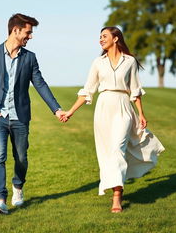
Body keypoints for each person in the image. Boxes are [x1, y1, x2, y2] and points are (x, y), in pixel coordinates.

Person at [62, 26, 165, 213]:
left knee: (118, 148)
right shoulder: (97, 63)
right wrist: (70, 111)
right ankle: (115, 186)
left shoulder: (130, 61)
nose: (100, 39)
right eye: (99, 37)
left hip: (123, 106)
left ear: (116, 38)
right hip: (103, 107)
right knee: (106, 153)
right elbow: (88, 90)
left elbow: (135, 89)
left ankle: (117, 196)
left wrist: (141, 114)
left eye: (104, 36)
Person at [0, 13, 66, 214]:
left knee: (21, 158)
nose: (30, 36)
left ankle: (18, 187)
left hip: (20, 117)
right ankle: (0, 199)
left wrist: (56, 109)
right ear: (15, 30)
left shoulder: (30, 58)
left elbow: (40, 84)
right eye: (28, 32)